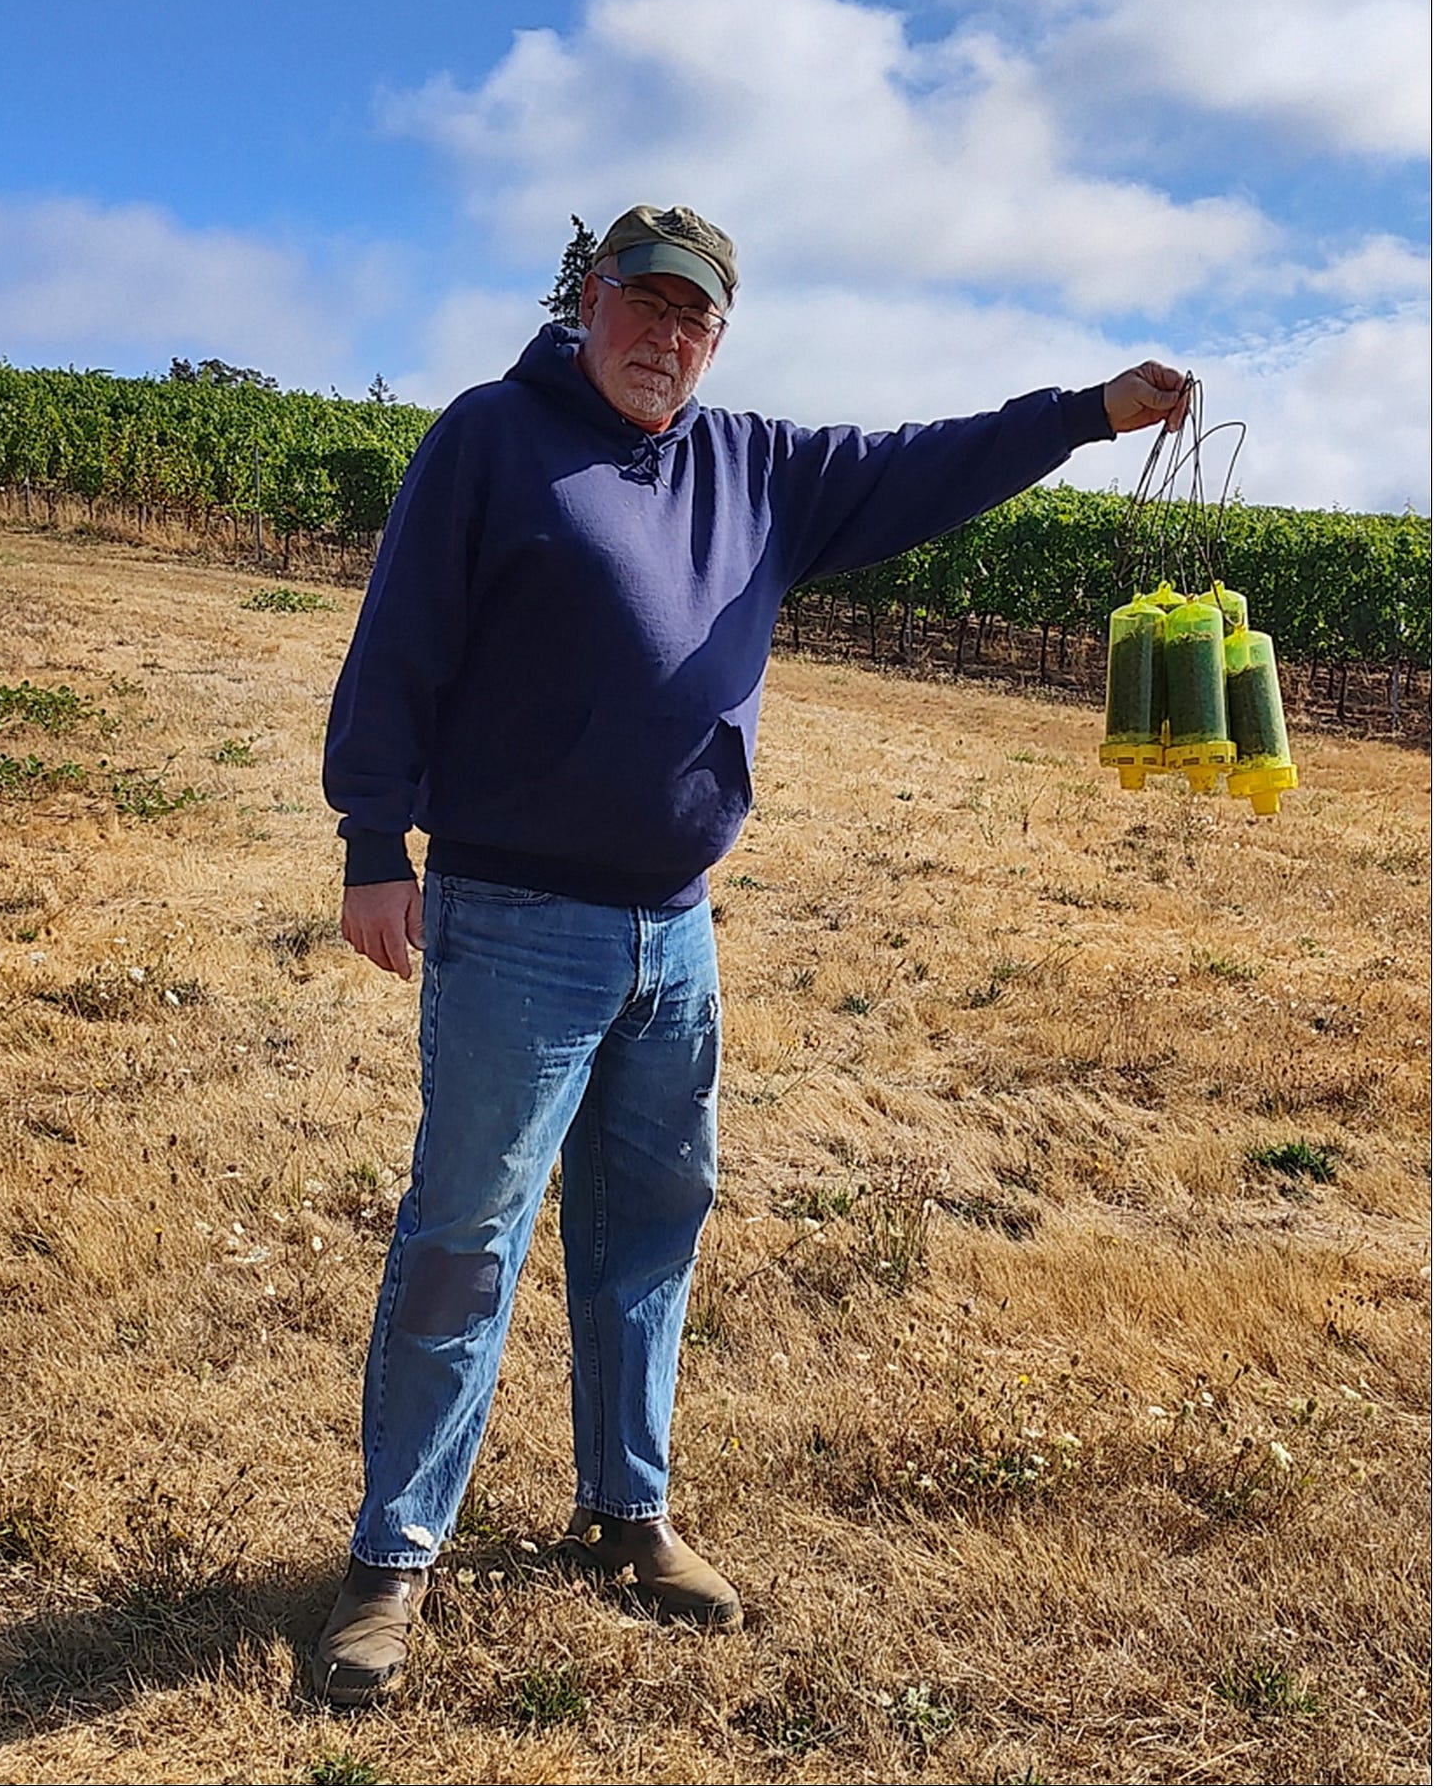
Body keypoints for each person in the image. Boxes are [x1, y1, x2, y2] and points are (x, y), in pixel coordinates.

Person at [315, 202, 1187, 1704]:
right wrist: (368, 844)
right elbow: (400, 639)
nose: (667, 339)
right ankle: (394, 1557)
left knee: (652, 1224)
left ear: (721, 334)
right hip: (512, 916)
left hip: (675, 925)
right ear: (589, 303)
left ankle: (624, 1508)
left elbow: (931, 463)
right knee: (467, 1238)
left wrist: (1091, 415)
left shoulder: (759, 467)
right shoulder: (488, 440)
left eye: (697, 318)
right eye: (644, 306)